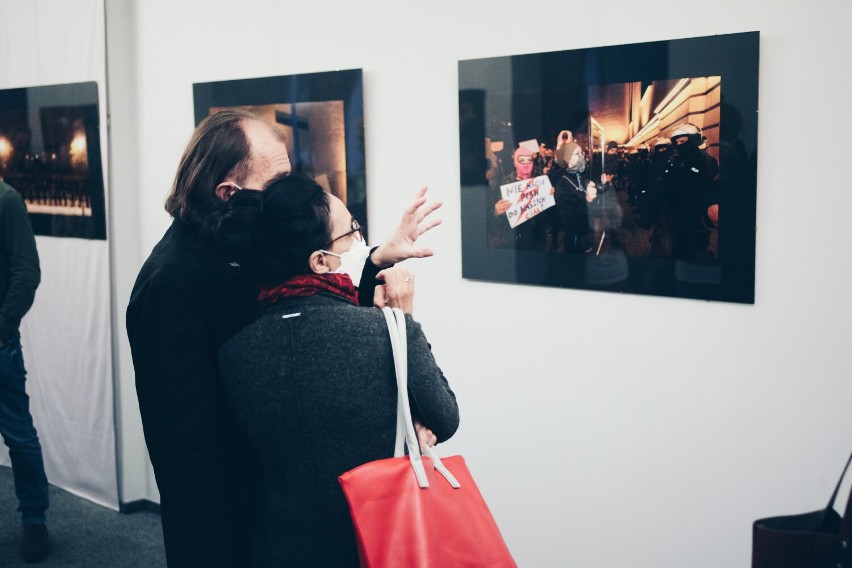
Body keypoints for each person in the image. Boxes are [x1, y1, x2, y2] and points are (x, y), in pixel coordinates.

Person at [126, 109, 442, 567]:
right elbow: (185, 450)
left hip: (275, 514)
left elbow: (307, 306)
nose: (288, 195)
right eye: (275, 183)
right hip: (225, 531)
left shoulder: (233, 246)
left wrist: (372, 259)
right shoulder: (170, 284)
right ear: (228, 194)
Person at [216, 174, 460, 567]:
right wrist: (402, 322)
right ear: (321, 261)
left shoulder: (235, 354)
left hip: (280, 547)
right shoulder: (383, 331)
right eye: (353, 233)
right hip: (376, 543)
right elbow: (445, 418)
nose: (362, 243)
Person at [0, 178, 51, 563]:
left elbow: (26, 272)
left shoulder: (7, 201)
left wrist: (2, 328)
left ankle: (34, 520)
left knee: (19, 435)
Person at [662, 123, 719, 261]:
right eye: (677, 142)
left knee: (695, 248)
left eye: (683, 141)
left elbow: (703, 183)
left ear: (693, 139)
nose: (679, 144)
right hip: (677, 210)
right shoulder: (678, 160)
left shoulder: (705, 160)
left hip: (695, 214)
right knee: (678, 246)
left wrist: (687, 170)